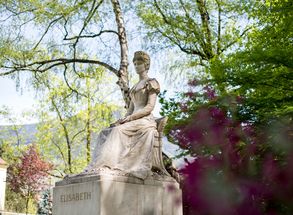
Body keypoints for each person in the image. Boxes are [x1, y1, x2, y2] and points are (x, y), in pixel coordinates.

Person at [84, 51, 160, 180]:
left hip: (145, 120)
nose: (136, 66)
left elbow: (149, 107)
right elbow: (130, 110)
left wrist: (130, 119)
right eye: (134, 64)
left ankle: (108, 165)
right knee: (105, 132)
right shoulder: (134, 87)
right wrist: (123, 120)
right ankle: (96, 165)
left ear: (146, 65)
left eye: (139, 63)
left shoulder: (151, 82)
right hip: (132, 119)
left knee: (118, 131)